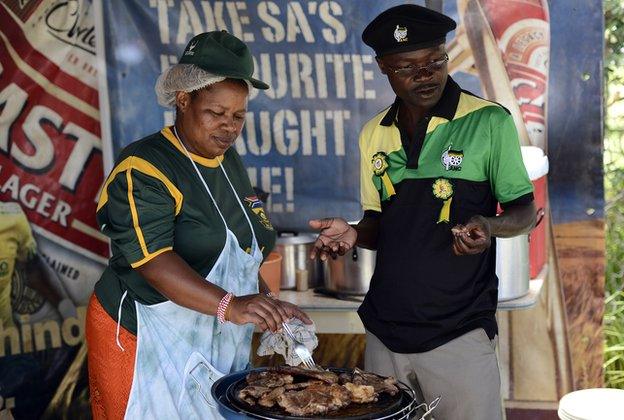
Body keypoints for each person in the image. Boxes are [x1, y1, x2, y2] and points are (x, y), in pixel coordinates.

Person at [309, 5, 536, 420]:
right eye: (407, 67)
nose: (425, 75)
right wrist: (355, 233)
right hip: (385, 332)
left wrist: (488, 224)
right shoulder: (374, 133)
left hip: (459, 332)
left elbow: (523, 209)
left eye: (435, 61)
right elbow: (380, 222)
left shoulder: (487, 121)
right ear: (384, 68)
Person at [86, 30, 311, 419]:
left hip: (212, 334)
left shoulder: (228, 163)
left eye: (238, 116)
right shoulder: (145, 166)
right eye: (216, 113)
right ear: (184, 100)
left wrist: (267, 306)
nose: (229, 127)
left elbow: (241, 251)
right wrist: (231, 305)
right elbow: (154, 262)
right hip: (144, 335)